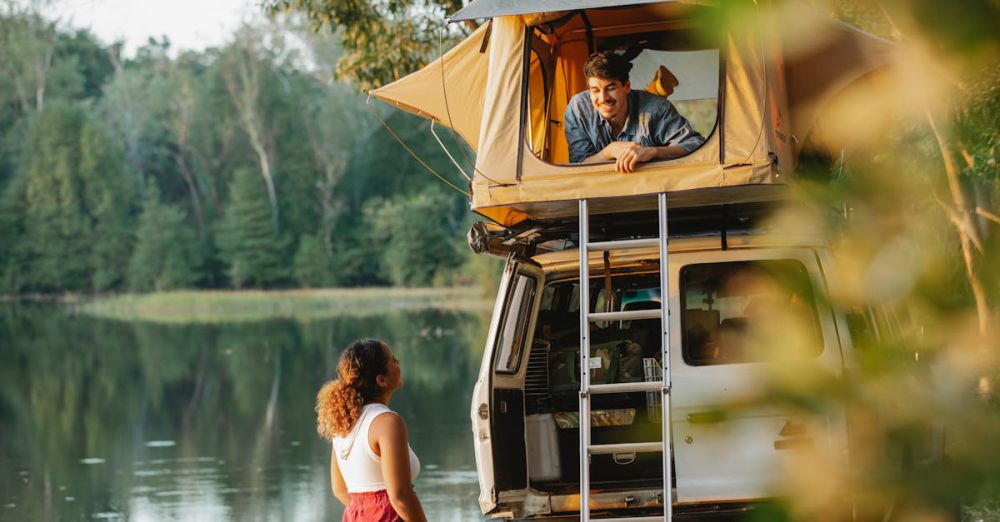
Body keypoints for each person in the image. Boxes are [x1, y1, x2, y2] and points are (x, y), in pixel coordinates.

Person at [316, 339, 427, 522]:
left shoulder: (343, 423)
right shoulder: (388, 422)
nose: (398, 363)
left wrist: (367, 510)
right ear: (381, 380)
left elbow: (340, 489)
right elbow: (400, 497)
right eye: (393, 360)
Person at [564, 50, 705, 172]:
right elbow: (578, 166)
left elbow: (695, 144)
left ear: (627, 86)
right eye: (595, 90)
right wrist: (609, 151)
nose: (603, 98)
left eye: (611, 88)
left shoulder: (657, 108)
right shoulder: (577, 110)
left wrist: (652, 151)